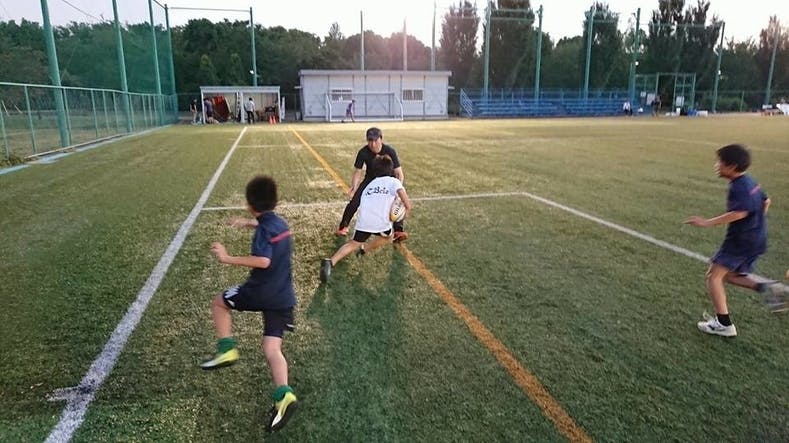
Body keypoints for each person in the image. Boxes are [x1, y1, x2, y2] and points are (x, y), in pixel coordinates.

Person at [202, 175, 298, 431]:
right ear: (275, 201)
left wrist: (227, 258)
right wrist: (248, 223)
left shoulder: (263, 230)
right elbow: (267, 227)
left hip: (260, 292)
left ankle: (227, 349)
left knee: (219, 303)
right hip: (283, 296)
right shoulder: (280, 223)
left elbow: (263, 261)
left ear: (249, 204)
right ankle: (285, 395)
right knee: (272, 348)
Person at [684, 144, 787, 337]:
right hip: (756, 239)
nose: (716, 165)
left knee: (713, 277)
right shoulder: (750, 181)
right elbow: (766, 201)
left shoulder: (738, 187)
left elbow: (739, 213)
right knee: (730, 276)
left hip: (741, 241)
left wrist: (707, 222)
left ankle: (724, 324)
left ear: (731, 166)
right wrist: (758, 222)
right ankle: (770, 289)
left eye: (720, 162)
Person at [321, 155, 412, 282]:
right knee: (388, 237)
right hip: (381, 222)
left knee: (353, 244)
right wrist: (407, 208)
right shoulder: (393, 181)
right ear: (390, 170)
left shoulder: (369, 185)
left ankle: (331, 262)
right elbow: (402, 196)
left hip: (363, 221)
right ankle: (364, 250)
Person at [336, 127, 409, 242]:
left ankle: (398, 231)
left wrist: (398, 190)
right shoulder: (363, 152)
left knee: (396, 203)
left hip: (389, 180)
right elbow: (358, 171)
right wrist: (354, 186)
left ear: (381, 139)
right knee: (355, 201)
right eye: (370, 140)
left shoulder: (390, 151)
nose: (373, 144)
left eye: (375, 140)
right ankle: (343, 226)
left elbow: (399, 173)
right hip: (371, 179)